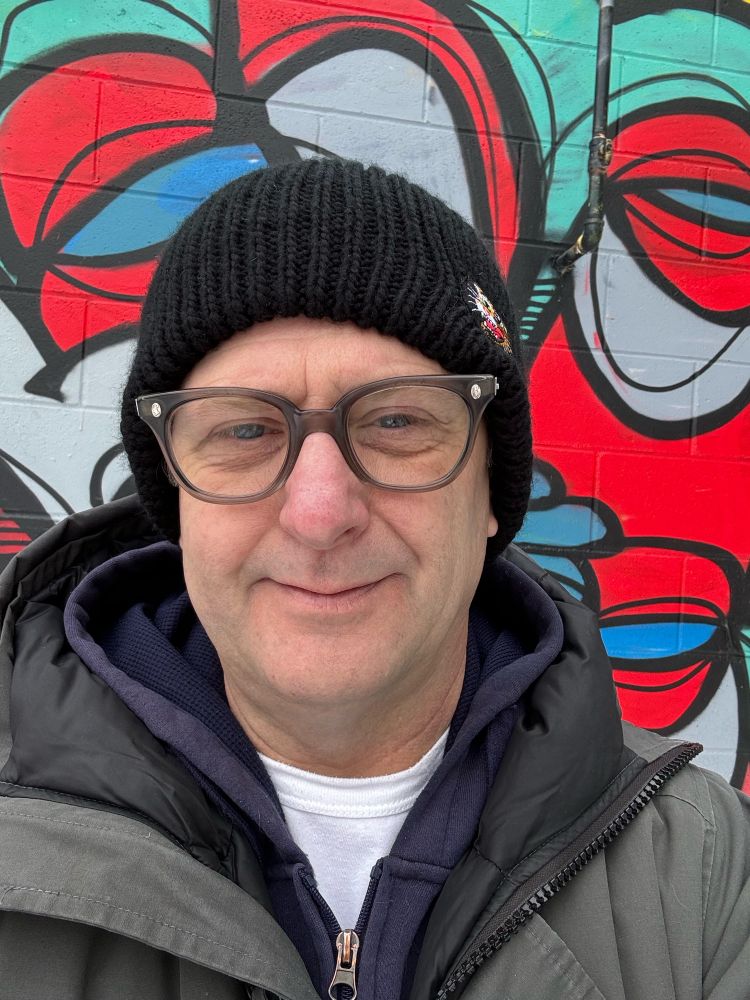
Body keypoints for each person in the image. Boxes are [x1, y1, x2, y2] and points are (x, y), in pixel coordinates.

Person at [0, 158, 747, 1000]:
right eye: (244, 431)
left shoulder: (707, 873)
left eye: (396, 421)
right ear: (176, 495)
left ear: (491, 492)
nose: (320, 512)